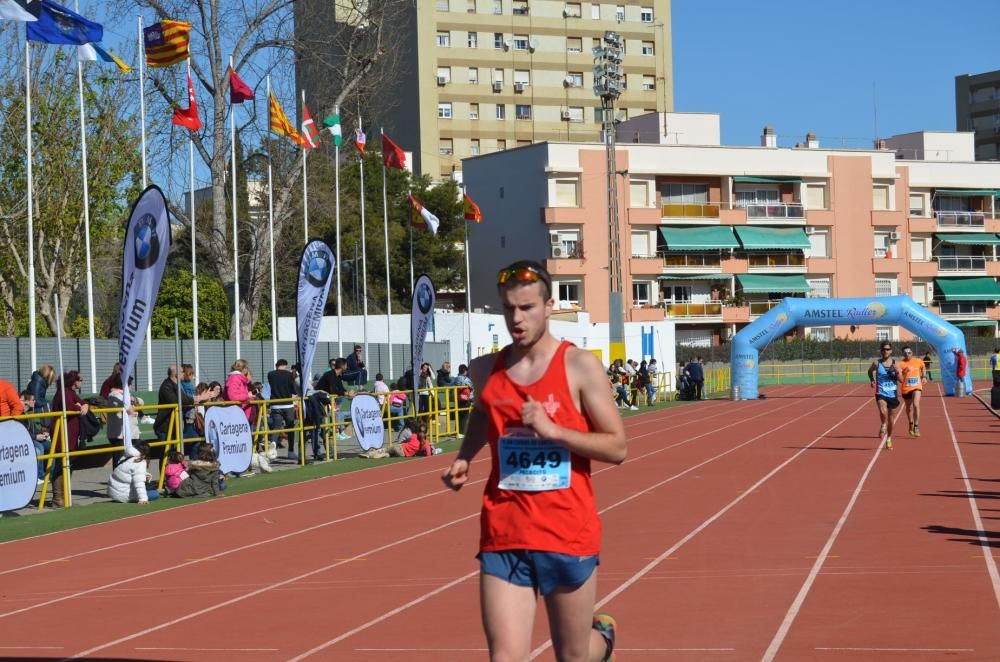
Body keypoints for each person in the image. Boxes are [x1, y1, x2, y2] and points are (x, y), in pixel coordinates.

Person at [441, 260, 626, 662]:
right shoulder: (485, 370)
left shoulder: (579, 366)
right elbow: (483, 412)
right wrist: (465, 456)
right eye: (509, 309)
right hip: (504, 533)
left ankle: (604, 640)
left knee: (574, 656)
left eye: (527, 308)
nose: (516, 319)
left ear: (549, 306)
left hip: (567, 532)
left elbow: (617, 448)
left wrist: (555, 430)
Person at [49, 370, 89, 508]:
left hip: (71, 434)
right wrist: (78, 408)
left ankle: (65, 496)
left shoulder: (71, 392)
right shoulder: (63, 392)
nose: (81, 382)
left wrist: (84, 405)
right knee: (61, 464)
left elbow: (81, 403)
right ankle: (57, 497)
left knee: (68, 464)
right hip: (62, 433)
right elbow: (70, 407)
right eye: (80, 379)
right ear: (73, 381)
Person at [153, 366, 212, 442]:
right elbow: (182, 400)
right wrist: (200, 397)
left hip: (174, 426)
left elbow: (185, 398)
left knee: (177, 449)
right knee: (166, 451)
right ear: (176, 374)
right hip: (165, 426)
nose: (184, 373)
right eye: (182, 372)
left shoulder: (176, 385)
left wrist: (203, 398)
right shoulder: (166, 386)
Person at [868, 342, 901, 450]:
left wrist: (897, 373)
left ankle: (889, 438)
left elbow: (902, 380)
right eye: (883, 349)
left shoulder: (896, 364)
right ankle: (883, 424)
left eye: (887, 349)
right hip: (880, 392)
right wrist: (872, 380)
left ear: (891, 351)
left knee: (891, 419)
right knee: (883, 411)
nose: (885, 351)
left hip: (892, 394)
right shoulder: (877, 363)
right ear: (881, 351)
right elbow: (869, 371)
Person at [108, 439, 160, 504]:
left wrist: (144, 474)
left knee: (150, 485)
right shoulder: (140, 462)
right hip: (125, 495)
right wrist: (143, 499)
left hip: (114, 493)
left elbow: (128, 472)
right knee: (155, 494)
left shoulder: (125, 456)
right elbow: (139, 483)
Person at [18, 390, 50, 484]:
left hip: (31, 437)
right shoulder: (19, 413)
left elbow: (33, 429)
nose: (35, 402)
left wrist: (42, 433)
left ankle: (51, 474)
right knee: (39, 449)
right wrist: (36, 436)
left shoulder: (28, 413)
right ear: (26, 402)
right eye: (33, 400)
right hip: (25, 439)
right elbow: (22, 432)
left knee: (50, 445)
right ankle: (40, 476)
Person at [267, 359, 297, 451]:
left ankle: (272, 450)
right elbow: (293, 390)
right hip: (287, 405)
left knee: (276, 428)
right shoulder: (289, 375)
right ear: (286, 365)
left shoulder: (270, 374)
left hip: (275, 405)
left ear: (277, 365)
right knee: (290, 428)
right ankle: (291, 451)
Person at [898, 345, 926, 437]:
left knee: (916, 404)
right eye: (905, 353)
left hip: (917, 386)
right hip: (906, 388)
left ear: (912, 353)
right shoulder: (900, 364)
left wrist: (924, 376)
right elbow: (899, 378)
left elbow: (923, 367)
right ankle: (910, 423)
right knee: (908, 408)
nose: (907, 354)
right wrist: (905, 371)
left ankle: (916, 426)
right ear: (903, 354)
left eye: (909, 352)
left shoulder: (918, 361)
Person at [225, 359, 255, 424]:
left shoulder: (240, 379)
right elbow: (233, 396)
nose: (248, 369)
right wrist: (247, 395)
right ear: (244, 369)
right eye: (247, 367)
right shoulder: (234, 379)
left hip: (242, 412)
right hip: (238, 414)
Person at [454, 364, 474, 437]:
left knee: (458, 414)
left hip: (458, 398)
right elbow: (472, 388)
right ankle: (461, 432)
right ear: (465, 371)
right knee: (464, 416)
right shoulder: (466, 379)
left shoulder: (456, 378)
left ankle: (457, 431)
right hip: (465, 399)